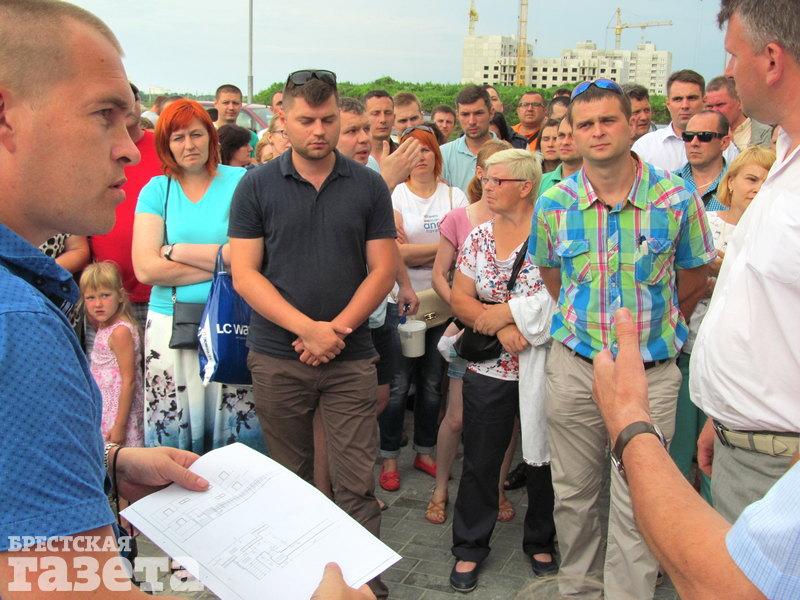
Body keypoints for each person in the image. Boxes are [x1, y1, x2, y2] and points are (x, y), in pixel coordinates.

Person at [0, 1, 209, 595]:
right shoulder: (18, 321)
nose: (131, 148)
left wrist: (105, 463)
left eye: (132, 122)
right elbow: (67, 585)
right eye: (105, 115)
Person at [530, 78, 715, 600]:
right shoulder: (554, 201)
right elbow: (552, 277)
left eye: (607, 120)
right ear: (572, 134)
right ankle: (579, 591)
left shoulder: (676, 197)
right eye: (584, 124)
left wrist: (655, 330)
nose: (597, 132)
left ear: (632, 125)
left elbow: (694, 277)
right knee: (574, 495)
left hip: (651, 374)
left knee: (641, 502)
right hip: (577, 367)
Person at [229, 69, 397, 599]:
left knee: (356, 485)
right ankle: (298, 586)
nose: (318, 131)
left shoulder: (367, 184)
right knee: (290, 483)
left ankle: (364, 586)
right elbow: (245, 274)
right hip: (278, 356)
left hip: (351, 357)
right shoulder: (255, 185)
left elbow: (383, 269)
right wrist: (308, 330)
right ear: (283, 117)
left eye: (327, 119)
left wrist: (336, 331)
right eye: (306, 120)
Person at [592, 304, 800, 600]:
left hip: (772, 447)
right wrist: (727, 411)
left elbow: (729, 587)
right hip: (739, 429)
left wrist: (628, 423)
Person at [690, 0, 800, 526]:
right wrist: (725, 418)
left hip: (781, 469)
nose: (728, 71)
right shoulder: (783, 157)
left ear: (772, 59)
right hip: (752, 445)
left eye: (733, 55)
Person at [449, 149, 556, 592]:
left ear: (525, 187)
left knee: (545, 457)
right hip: (490, 363)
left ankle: (541, 539)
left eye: (497, 180)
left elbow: (562, 296)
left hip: (544, 365)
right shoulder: (478, 237)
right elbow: (460, 297)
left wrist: (511, 317)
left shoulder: (551, 234)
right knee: (480, 458)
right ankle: (469, 546)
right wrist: (499, 326)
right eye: (486, 179)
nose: (486, 186)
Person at [132, 99, 264, 454]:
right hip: (170, 323)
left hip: (233, 320)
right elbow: (146, 268)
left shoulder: (243, 182)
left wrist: (175, 250)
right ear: (166, 145)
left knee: (237, 424)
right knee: (173, 427)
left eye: (196, 134)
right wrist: (224, 260)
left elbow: (252, 256)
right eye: (178, 138)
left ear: (211, 136)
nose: (188, 145)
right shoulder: (157, 191)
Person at [672, 145, 775, 505]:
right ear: (730, 182)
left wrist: (719, 273)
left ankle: (715, 525)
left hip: (740, 362)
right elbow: (683, 279)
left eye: (767, 181)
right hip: (690, 347)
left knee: (719, 454)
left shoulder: (777, 234)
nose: (758, 188)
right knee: (679, 443)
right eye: (751, 178)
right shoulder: (706, 222)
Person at [426, 139, 512, 525]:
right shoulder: (460, 219)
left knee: (506, 420)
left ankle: (496, 489)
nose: (497, 181)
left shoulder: (526, 221)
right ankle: (440, 488)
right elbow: (439, 274)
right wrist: (466, 311)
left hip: (511, 333)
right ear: (480, 173)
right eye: (492, 171)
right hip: (469, 334)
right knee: (457, 417)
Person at [378, 125, 468, 491]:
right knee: (398, 385)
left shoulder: (454, 195)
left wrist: (420, 251)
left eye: (426, 150)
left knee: (432, 384)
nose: (420, 158)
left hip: (443, 304)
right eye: (412, 151)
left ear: (436, 155)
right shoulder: (395, 195)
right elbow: (394, 252)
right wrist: (445, 248)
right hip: (400, 301)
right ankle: (388, 457)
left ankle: (425, 451)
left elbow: (466, 247)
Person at [88, 81, 158, 352]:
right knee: (107, 373)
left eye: (130, 100)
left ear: (140, 104)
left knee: (154, 374)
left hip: (157, 291)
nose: (126, 108)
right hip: (106, 294)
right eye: (113, 105)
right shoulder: (91, 149)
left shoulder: (163, 146)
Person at [81, 261, 145, 447]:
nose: (98, 304)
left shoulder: (120, 332)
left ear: (121, 295)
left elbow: (129, 380)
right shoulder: (105, 325)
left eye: (105, 295)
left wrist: (120, 425)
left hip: (117, 413)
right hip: (105, 407)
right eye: (90, 298)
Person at [633, 70, 739, 171]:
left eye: (691, 98)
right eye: (678, 99)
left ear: (704, 101)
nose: (685, 106)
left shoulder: (725, 147)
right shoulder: (644, 147)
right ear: (668, 104)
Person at [441, 85, 496, 192]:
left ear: (491, 113)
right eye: (465, 114)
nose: (472, 121)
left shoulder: (509, 155)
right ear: (457, 115)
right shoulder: (443, 154)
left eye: (478, 113)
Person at [675, 110, 733, 211]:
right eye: (688, 136)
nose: (694, 143)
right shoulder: (667, 183)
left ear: (724, 142)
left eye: (704, 136)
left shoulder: (739, 184)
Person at [705, 75, 772, 150]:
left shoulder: (765, 133)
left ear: (740, 102)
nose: (715, 110)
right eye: (709, 106)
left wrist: (730, 145)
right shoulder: (700, 134)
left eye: (720, 105)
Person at [538, 117, 583, 194]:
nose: (565, 142)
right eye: (561, 135)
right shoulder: (539, 182)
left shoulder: (599, 181)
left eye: (572, 136)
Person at [212, 83, 259, 156]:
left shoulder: (251, 137)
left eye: (235, 103)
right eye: (226, 103)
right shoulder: (209, 134)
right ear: (215, 104)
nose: (231, 107)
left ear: (241, 105)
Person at [364, 89, 397, 161]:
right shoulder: (352, 156)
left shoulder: (404, 156)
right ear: (364, 118)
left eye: (388, 113)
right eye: (375, 113)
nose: (383, 120)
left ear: (394, 118)